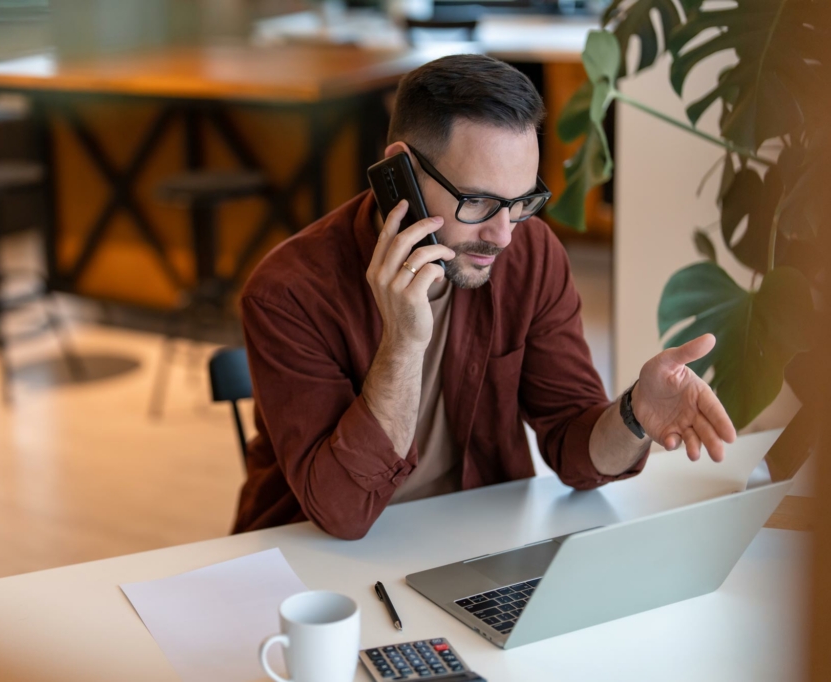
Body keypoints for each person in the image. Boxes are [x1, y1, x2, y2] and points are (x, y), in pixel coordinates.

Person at [232, 55, 736, 540]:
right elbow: (342, 514)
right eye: (478, 201)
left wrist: (634, 413)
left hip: (477, 537)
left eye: (520, 203)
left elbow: (572, 448)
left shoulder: (531, 255)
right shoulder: (289, 291)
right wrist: (404, 345)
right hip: (311, 559)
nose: (504, 236)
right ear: (399, 173)